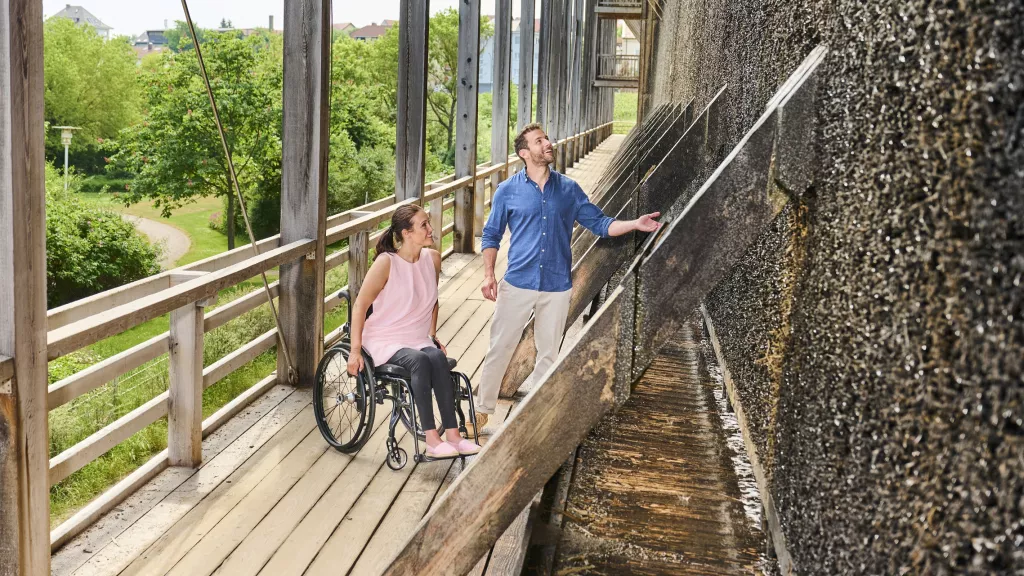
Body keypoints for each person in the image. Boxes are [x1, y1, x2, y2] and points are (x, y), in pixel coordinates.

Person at [473, 123, 662, 432]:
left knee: (548, 354)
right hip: (517, 282)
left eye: (546, 138)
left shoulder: (569, 189)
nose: (547, 143)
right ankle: (481, 412)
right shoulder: (508, 190)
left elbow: (600, 224)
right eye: (539, 141)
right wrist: (487, 275)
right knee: (500, 347)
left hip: (557, 286)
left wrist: (634, 224)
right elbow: (491, 235)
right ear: (525, 153)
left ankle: (536, 418)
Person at [347, 204, 479, 459]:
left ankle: (453, 435)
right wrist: (355, 350)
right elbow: (360, 305)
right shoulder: (387, 263)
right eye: (424, 225)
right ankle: (431, 438)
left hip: (415, 338)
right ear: (407, 233)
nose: (431, 229)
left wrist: (432, 335)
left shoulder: (432, 258)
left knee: (438, 357)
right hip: (384, 338)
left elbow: (432, 300)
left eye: (428, 222)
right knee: (419, 361)